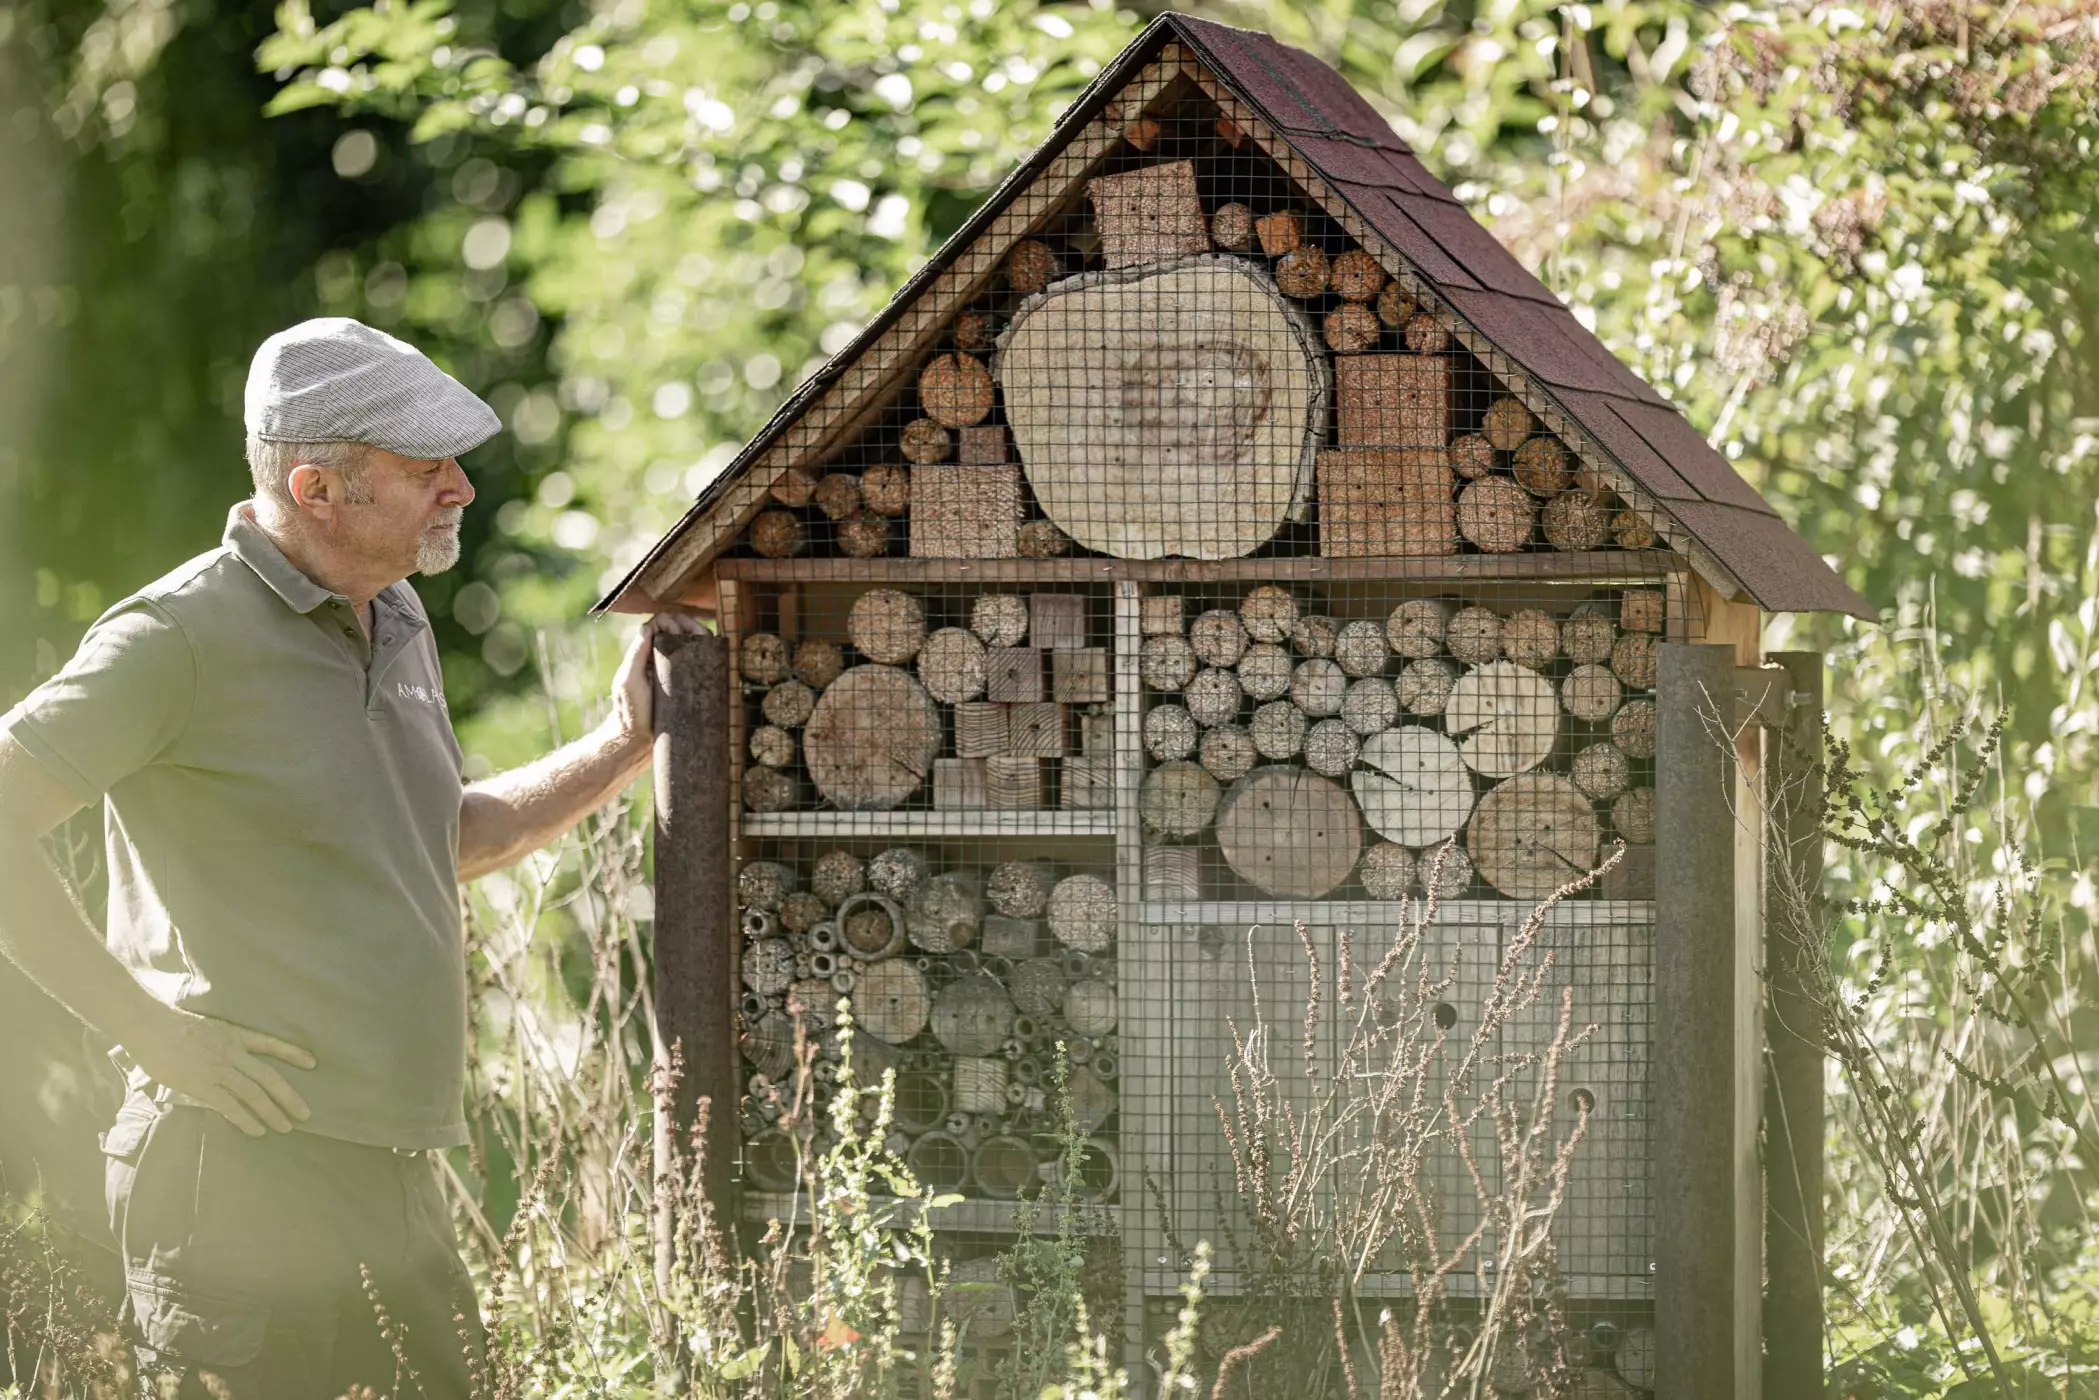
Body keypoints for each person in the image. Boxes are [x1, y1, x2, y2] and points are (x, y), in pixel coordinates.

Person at [0, 317, 703, 1398]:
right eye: (425, 466)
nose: (460, 486)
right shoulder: (176, 637)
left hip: (393, 1178)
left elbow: (445, 836)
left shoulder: (396, 618)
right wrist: (150, 1032)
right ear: (319, 488)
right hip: (233, 1175)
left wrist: (620, 743)